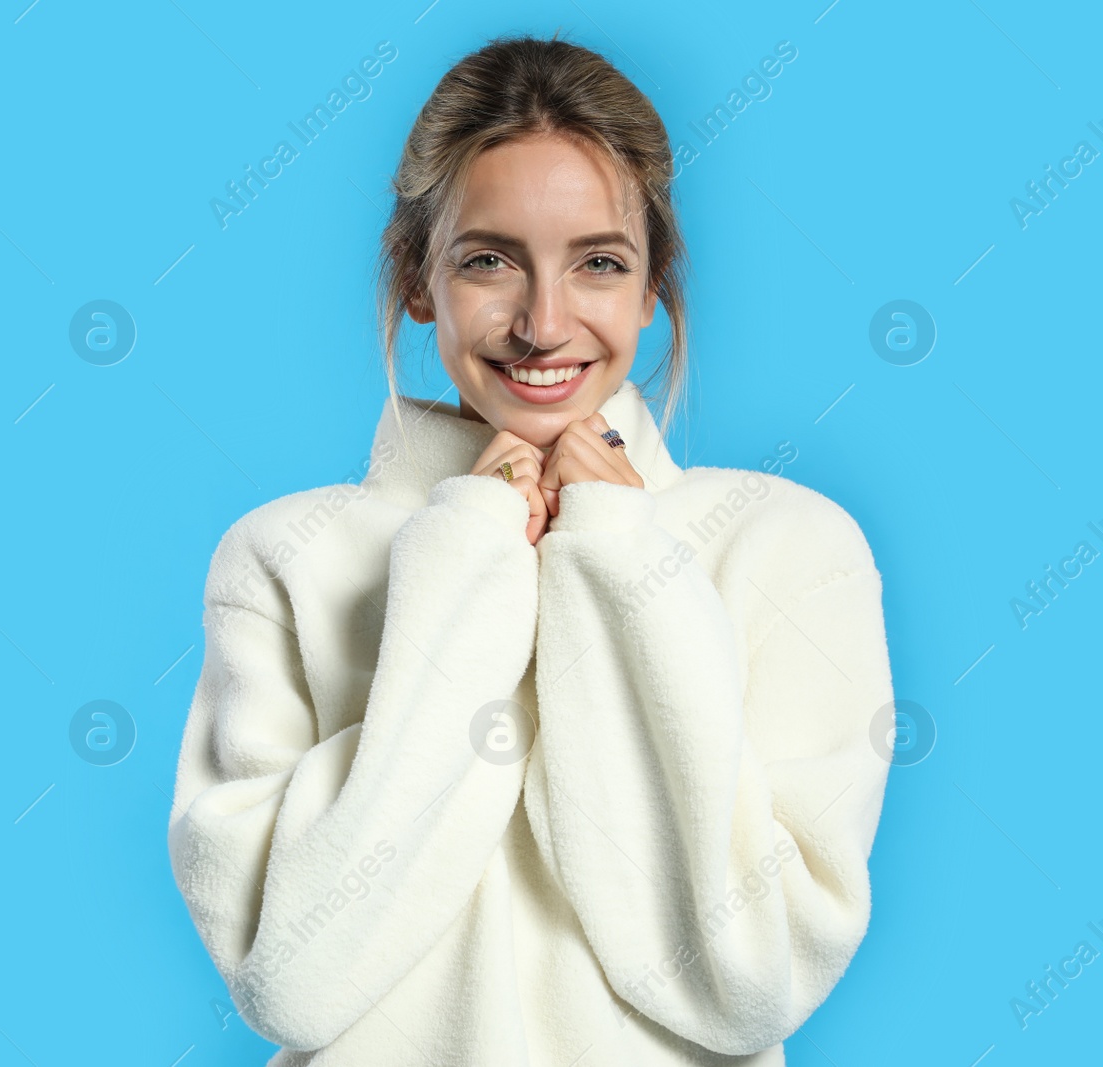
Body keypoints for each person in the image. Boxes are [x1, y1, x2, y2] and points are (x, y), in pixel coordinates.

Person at [168, 33, 894, 1066]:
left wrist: (613, 554)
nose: (543, 323)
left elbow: (749, 981)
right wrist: (466, 552)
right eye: (487, 261)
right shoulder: (285, 556)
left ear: (652, 290)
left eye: (598, 262)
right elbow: (291, 979)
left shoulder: (790, 549)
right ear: (415, 278)